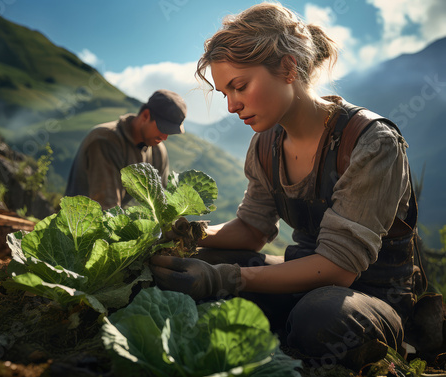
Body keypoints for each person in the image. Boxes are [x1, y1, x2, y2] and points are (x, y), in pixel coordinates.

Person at [149, 3, 424, 372]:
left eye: (240, 86)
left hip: (365, 296)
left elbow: (339, 267)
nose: (232, 106)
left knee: (320, 316)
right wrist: (189, 234)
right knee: (190, 266)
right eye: (225, 93)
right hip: (298, 277)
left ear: (289, 68)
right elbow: (251, 230)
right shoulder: (265, 145)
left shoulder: (371, 143)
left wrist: (227, 279)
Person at [65, 89, 187, 210]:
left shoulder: (158, 150)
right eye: (163, 129)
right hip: (82, 223)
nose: (165, 137)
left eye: (170, 133)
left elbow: (162, 202)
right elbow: (106, 206)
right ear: (145, 115)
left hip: (116, 222)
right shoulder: (104, 141)